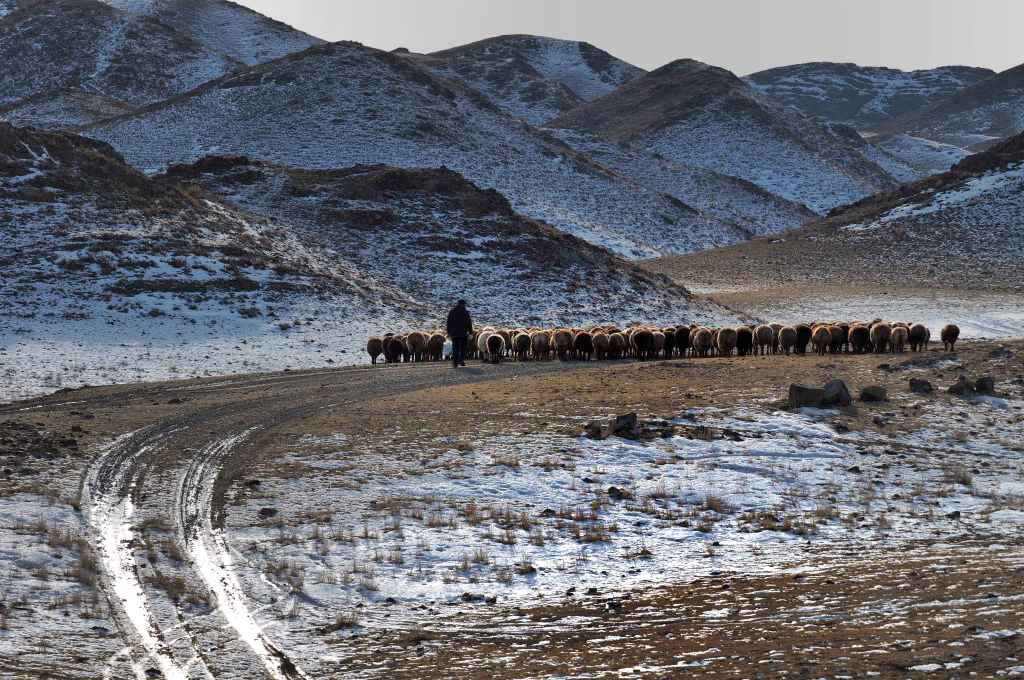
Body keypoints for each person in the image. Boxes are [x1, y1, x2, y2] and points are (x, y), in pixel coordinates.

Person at [446, 299, 472, 368]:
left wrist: (448, 332)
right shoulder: (466, 312)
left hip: (454, 333)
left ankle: (455, 363)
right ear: (464, 304)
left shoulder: (452, 312)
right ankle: (461, 359)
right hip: (463, 333)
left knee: (455, 348)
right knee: (463, 347)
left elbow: (449, 322)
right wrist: (470, 332)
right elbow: (469, 323)